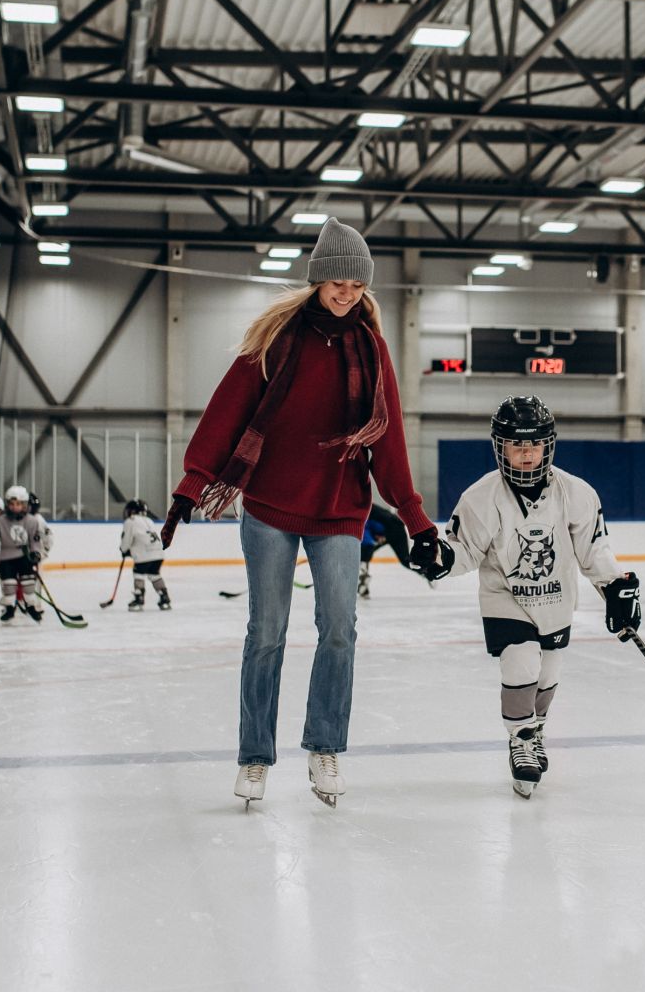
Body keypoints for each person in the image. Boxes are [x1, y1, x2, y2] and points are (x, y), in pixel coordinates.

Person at [159, 218, 432, 808]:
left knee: (339, 629)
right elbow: (227, 411)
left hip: (340, 508)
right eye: (338, 282)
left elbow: (388, 442)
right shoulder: (278, 339)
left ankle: (325, 746)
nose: (347, 294)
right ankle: (255, 757)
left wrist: (414, 517)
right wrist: (193, 481)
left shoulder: (372, 348)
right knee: (267, 632)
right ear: (318, 279)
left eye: (357, 285)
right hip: (270, 506)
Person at [409, 396, 641, 800]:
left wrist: (614, 586)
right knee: (521, 659)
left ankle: (536, 730)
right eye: (517, 445)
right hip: (505, 598)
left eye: (534, 444)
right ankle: (520, 738)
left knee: (548, 673)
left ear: (548, 445)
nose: (527, 453)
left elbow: (593, 550)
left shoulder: (577, 493)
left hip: (556, 600)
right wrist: (441, 558)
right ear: (500, 447)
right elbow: (465, 550)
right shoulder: (481, 497)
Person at [0, 485, 47, 622]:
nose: (15, 507)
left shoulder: (32, 521)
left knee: (28, 583)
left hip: (24, 556)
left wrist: (36, 553)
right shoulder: (0, 521)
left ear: (24, 505)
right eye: (11, 504)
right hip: (5, 558)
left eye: (18, 504)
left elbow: (34, 540)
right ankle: (9, 607)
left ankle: (31, 606)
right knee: (9, 585)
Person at [119, 499, 170, 611]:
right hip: (159, 553)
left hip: (144, 554)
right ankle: (164, 597)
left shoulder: (130, 521)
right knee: (154, 574)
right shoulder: (149, 520)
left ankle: (139, 599)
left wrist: (124, 549)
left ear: (132, 511)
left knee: (138, 573)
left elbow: (127, 539)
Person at [357, 503, 414, 599]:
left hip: (392, 530)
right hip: (394, 527)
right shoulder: (364, 506)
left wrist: (379, 537)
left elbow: (366, 532)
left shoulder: (360, 510)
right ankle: (364, 586)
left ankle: (364, 585)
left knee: (364, 553)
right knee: (405, 560)